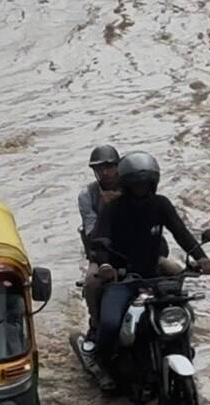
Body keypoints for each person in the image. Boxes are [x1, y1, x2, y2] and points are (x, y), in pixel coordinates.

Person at [84, 152, 210, 385]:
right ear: (126, 184)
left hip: (154, 275)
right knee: (111, 323)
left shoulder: (160, 204)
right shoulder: (113, 209)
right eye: (135, 185)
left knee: (184, 312)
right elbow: (99, 239)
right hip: (123, 279)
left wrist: (201, 258)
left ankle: (181, 350)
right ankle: (102, 362)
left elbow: (181, 233)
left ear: (153, 183)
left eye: (144, 184)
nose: (140, 189)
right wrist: (105, 265)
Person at [78, 145, 121, 344]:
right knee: (91, 284)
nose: (105, 172)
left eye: (109, 167)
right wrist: (106, 207)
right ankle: (95, 325)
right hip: (102, 255)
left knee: (173, 271)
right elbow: (92, 232)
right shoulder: (88, 195)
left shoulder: (133, 186)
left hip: (136, 250)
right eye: (100, 168)